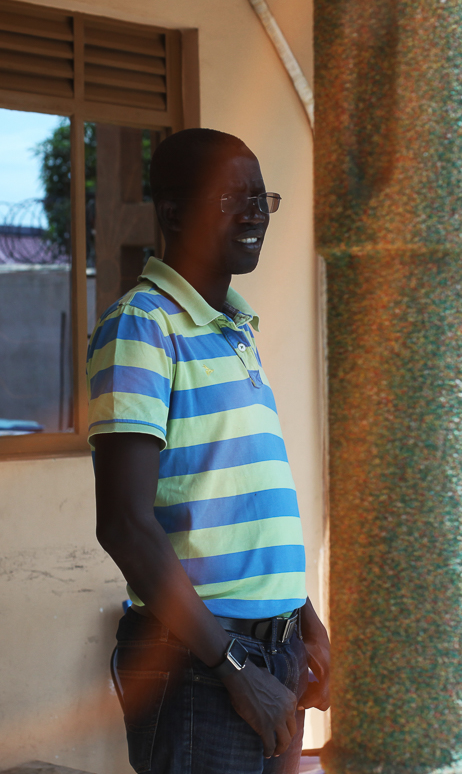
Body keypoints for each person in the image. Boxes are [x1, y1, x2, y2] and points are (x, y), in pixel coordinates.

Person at [87, 128, 330, 774]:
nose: (253, 213)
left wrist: (301, 616)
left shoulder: (236, 332)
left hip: (269, 656)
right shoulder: (143, 326)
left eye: (261, 198)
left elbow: (234, 501)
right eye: (231, 198)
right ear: (172, 213)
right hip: (200, 665)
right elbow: (124, 525)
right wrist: (230, 665)